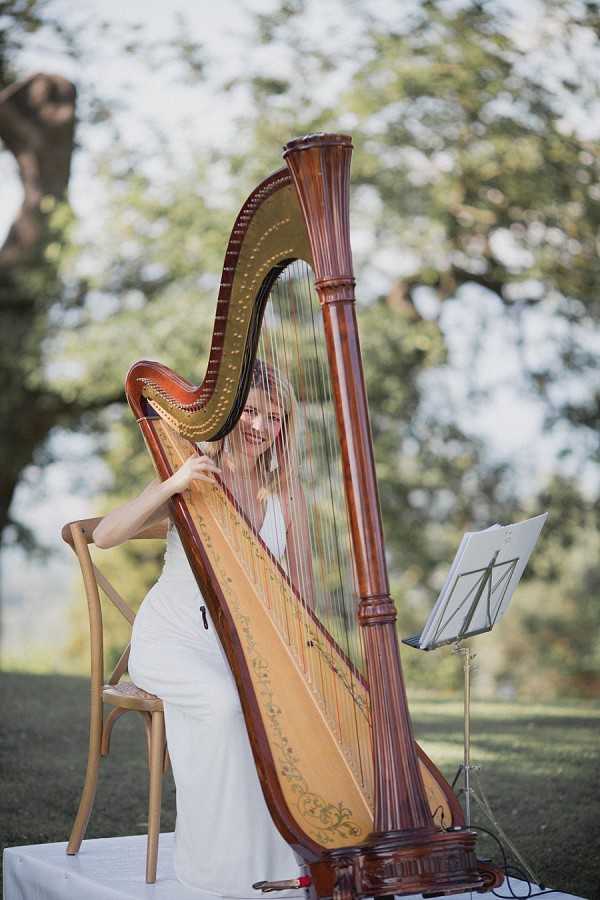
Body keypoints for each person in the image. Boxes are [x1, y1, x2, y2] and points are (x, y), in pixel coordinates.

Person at [93, 360, 311, 897]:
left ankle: (280, 858)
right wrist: (170, 484)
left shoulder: (287, 498)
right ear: (230, 414)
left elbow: (299, 593)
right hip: (171, 643)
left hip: (241, 649)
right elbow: (103, 535)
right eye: (252, 411)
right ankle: (218, 870)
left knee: (278, 710)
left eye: (275, 417)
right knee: (224, 703)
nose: (262, 426)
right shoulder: (190, 472)